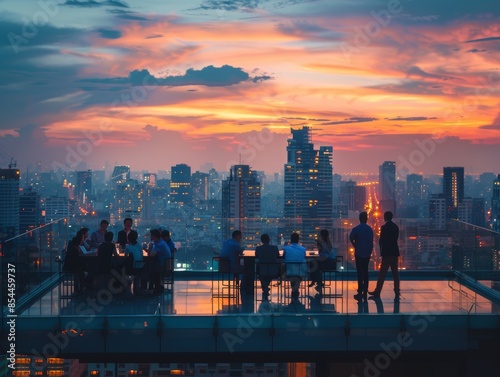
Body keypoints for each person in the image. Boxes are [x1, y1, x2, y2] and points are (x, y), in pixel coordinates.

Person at [369, 211, 401, 299]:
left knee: (382, 273)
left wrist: (381, 251)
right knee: (395, 273)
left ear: (385, 217)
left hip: (387, 253)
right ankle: (397, 290)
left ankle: (377, 291)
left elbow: (381, 241)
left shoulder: (384, 227)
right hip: (394, 252)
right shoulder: (396, 227)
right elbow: (395, 239)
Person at [349, 212, 374, 300]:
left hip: (359, 252)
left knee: (360, 272)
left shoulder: (356, 229)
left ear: (359, 219)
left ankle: (360, 291)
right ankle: (365, 291)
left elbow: (351, 237)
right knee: (365, 271)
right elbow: (371, 241)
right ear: (366, 219)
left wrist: (354, 245)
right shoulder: (369, 229)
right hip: (367, 252)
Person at [63, 227, 89, 293]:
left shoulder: (74, 245)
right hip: (72, 266)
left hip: (70, 265)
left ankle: (81, 287)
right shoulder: (76, 248)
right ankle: (83, 286)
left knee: (82, 269)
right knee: (82, 269)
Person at [255, 233, 280, 300]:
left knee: (262, 273)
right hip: (274, 271)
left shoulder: (258, 248)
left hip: (262, 271)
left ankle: (265, 287)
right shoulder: (275, 248)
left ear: (261, 240)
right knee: (269, 272)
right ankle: (265, 286)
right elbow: (278, 256)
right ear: (269, 240)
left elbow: (256, 256)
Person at [283, 232, 307, 298]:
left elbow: (284, 258)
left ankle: (294, 289)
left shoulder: (286, 248)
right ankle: (295, 289)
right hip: (300, 271)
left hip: (289, 271)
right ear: (298, 239)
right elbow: (304, 257)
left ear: (291, 239)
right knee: (297, 272)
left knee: (292, 271)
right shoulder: (303, 249)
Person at [148, 228, 171, 294]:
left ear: (154, 236)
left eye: (151, 235)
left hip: (162, 265)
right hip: (166, 263)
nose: (150, 237)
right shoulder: (161, 242)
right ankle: (155, 287)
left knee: (149, 269)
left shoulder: (159, 245)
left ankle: (154, 288)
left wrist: (149, 247)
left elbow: (151, 255)